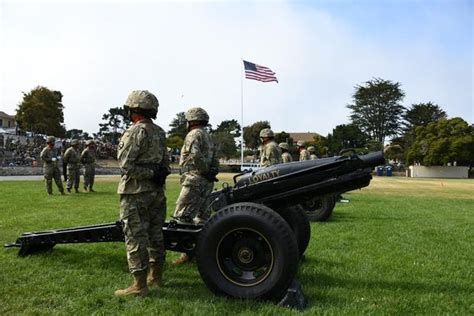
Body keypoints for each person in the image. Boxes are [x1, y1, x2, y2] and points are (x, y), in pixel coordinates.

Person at [114, 90, 170, 297]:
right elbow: (165, 165)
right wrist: (155, 175)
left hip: (135, 193)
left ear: (134, 110)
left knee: (135, 237)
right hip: (156, 192)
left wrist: (147, 173)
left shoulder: (134, 132)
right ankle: (155, 277)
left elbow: (125, 165)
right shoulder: (160, 132)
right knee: (156, 235)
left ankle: (139, 285)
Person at [172, 107, 219, 265]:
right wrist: (211, 172)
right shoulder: (207, 136)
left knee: (182, 216)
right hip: (206, 181)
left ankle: (187, 254)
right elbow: (215, 158)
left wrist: (204, 171)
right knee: (202, 218)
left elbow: (195, 155)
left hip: (195, 179)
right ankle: (203, 252)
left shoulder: (193, 134)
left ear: (191, 120)